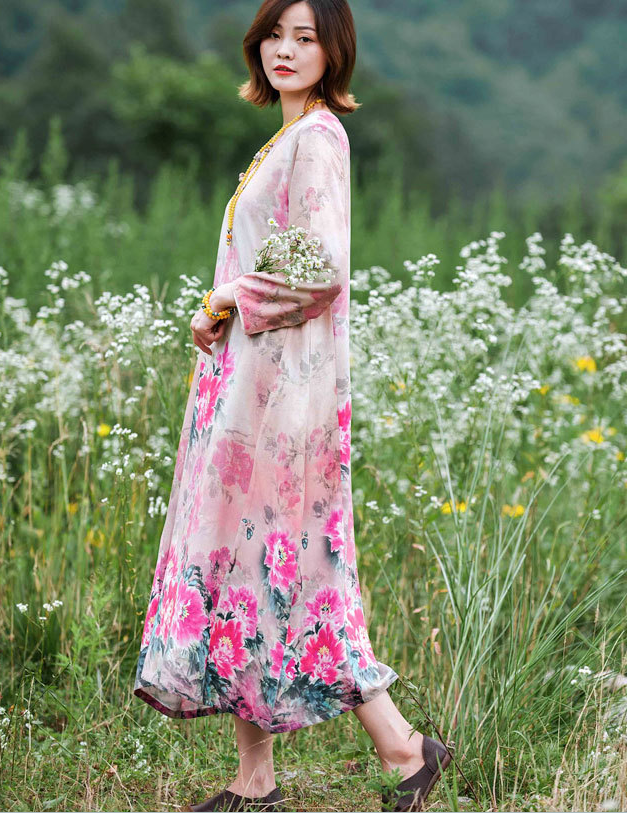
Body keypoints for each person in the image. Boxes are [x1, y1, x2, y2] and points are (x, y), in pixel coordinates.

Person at [133, 1, 452, 810]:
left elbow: (319, 272)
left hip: (277, 403)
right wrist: (223, 317)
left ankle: (403, 748)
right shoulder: (286, 136)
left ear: (332, 51)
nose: (284, 49)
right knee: (251, 573)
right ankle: (268, 776)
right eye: (275, 34)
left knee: (288, 569)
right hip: (248, 386)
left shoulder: (316, 140)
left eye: (305, 38)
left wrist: (226, 299)